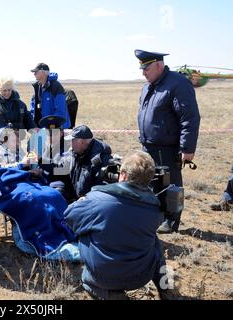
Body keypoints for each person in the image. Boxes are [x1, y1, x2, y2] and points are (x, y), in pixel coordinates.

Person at [64, 151, 169, 300]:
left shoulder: (97, 199)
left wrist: (83, 201)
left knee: (87, 232)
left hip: (103, 278)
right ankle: (166, 287)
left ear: (124, 175)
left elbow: (70, 216)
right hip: (141, 276)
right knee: (155, 242)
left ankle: (112, 295)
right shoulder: (156, 208)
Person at [135, 49, 201, 234]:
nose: (143, 72)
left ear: (158, 65)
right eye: (142, 68)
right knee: (152, 184)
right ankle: (157, 217)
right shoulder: (148, 86)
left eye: (146, 68)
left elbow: (189, 118)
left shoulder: (178, 84)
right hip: (148, 146)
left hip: (168, 148)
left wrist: (187, 149)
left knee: (171, 186)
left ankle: (172, 221)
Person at [61, 125, 112, 201]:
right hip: (75, 199)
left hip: (90, 203)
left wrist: (88, 198)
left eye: (72, 141)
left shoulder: (101, 159)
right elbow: (61, 167)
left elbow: (104, 186)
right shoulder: (75, 153)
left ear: (81, 142)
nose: (70, 144)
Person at [30, 63, 71, 129]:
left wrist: (53, 126)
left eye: (36, 72)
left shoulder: (56, 86)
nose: (34, 74)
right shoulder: (37, 87)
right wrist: (32, 123)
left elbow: (60, 110)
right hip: (41, 127)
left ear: (44, 73)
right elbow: (33, 109)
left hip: (56, 127)